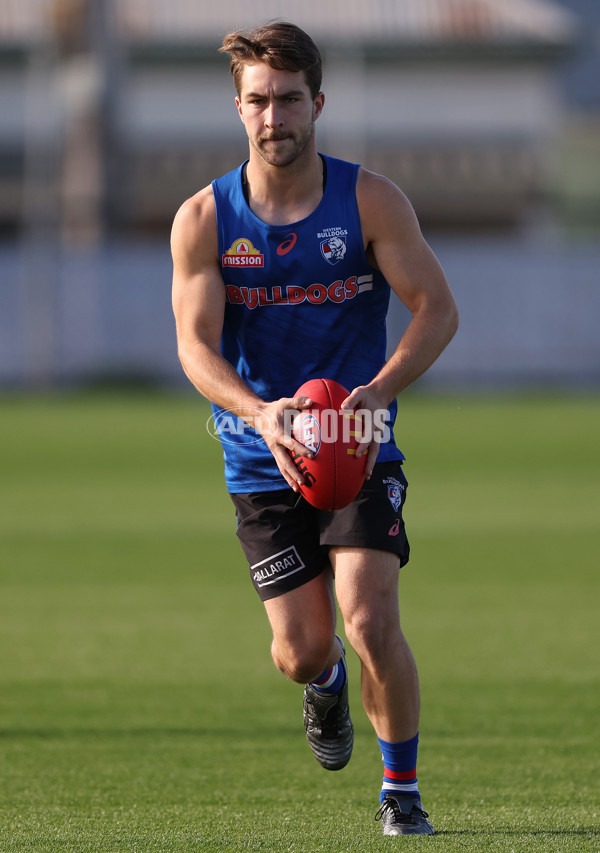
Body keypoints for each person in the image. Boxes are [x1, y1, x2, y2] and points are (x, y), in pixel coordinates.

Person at [171, 21, 458, 837]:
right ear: (238, 108)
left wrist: (379, 388)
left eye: (289, 100)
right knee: (303, 648)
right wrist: (260, 412)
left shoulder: (369, 199)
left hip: (361, 449)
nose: (274, 118)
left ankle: (400, 792)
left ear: (317, 104)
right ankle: (325, 683)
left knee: (369, 615)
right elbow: (193, 346)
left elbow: (438, 308)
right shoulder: (204, 218)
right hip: (262, 459)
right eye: (258, 101)